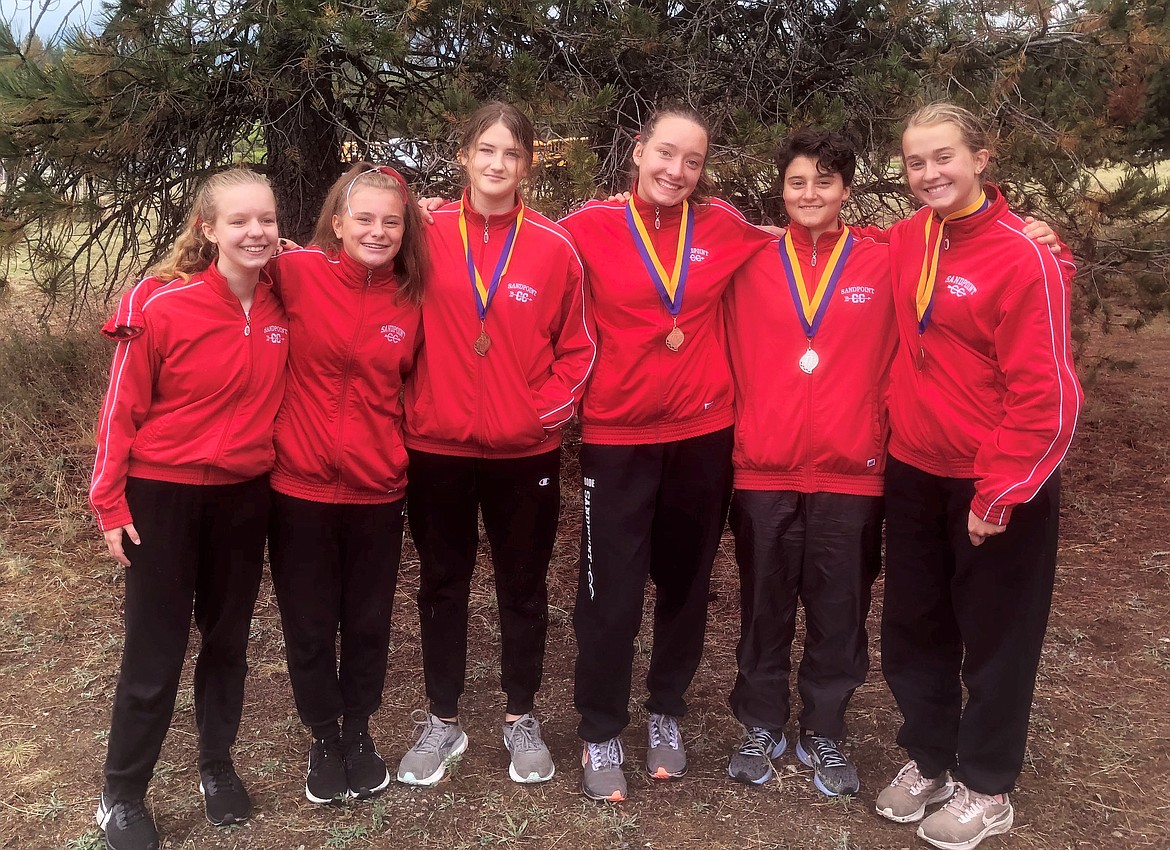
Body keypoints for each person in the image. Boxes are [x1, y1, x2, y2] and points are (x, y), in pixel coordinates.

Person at [874, 103, 1082, 850]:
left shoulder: (1024, 255)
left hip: (996, 481)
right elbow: (825, 247)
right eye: (915, 162)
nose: (929, 173)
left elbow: (1048, 396)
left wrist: (999, 491)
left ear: (981, 158)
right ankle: (930, 756)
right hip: (915, 468)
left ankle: (987, 784)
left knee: (996, 637)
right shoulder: (905, 239)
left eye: (943, 157)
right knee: (915, 626)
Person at [558, 105, 775, 802]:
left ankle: (666, 713)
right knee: (608, 595)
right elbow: (516, 246)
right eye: (666, 154)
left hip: (702, 436)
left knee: (684, 587)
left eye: (692, 162)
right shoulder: (585, 228)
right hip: (617, 437)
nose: (676, 171)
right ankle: (600, 727)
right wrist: (436, 211)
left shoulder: (725, 227)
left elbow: (808, 236)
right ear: (638, 151)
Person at [395, 102, 595, 787]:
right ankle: (442, 719)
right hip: (437, 446)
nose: (496, 164)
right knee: (441, 585)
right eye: (486, 150)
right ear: (463, 157)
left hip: (523, 451)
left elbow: (578, 346)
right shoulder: (423, 231)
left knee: (523, 586)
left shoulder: (553, 245)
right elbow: (365, 284)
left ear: (528, 164)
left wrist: (545, 414)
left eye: (511, 153)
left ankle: (520, 715)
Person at [89, 168, 287, 850]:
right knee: (155, 651)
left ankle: (215, 766)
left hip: (243, 497)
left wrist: (427, 210)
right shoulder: (159, 301)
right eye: (239, 221)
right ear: (208, 228)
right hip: (163, 496)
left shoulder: (281, 298)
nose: (255, 231)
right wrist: (109, 503)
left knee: (227, 643)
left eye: (265, 218)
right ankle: (120, 792)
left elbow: (353, 247)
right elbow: (122, 409)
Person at [723, 129, 895, 797]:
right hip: (764, 466)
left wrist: (1038, 233)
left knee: (839, 609)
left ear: (847, 189)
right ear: (781, 189)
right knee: (764, 605)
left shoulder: (885, 256)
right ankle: (760, 724)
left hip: (853, 470)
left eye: (824, 181)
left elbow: (962, 238)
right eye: (797, 182)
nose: (810, 193)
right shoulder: (749, 257)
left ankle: (824, 730)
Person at [266, 163, 428, 804]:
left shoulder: (412, 297)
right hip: (298, 486)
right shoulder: (296, 271)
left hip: (377, 489)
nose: (378, 230)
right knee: (308, 625)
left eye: (392, 221)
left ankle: (359, 732)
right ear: (337, 223)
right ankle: (323, 737)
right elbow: (223, 259)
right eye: (364, 218)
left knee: (366, 624)